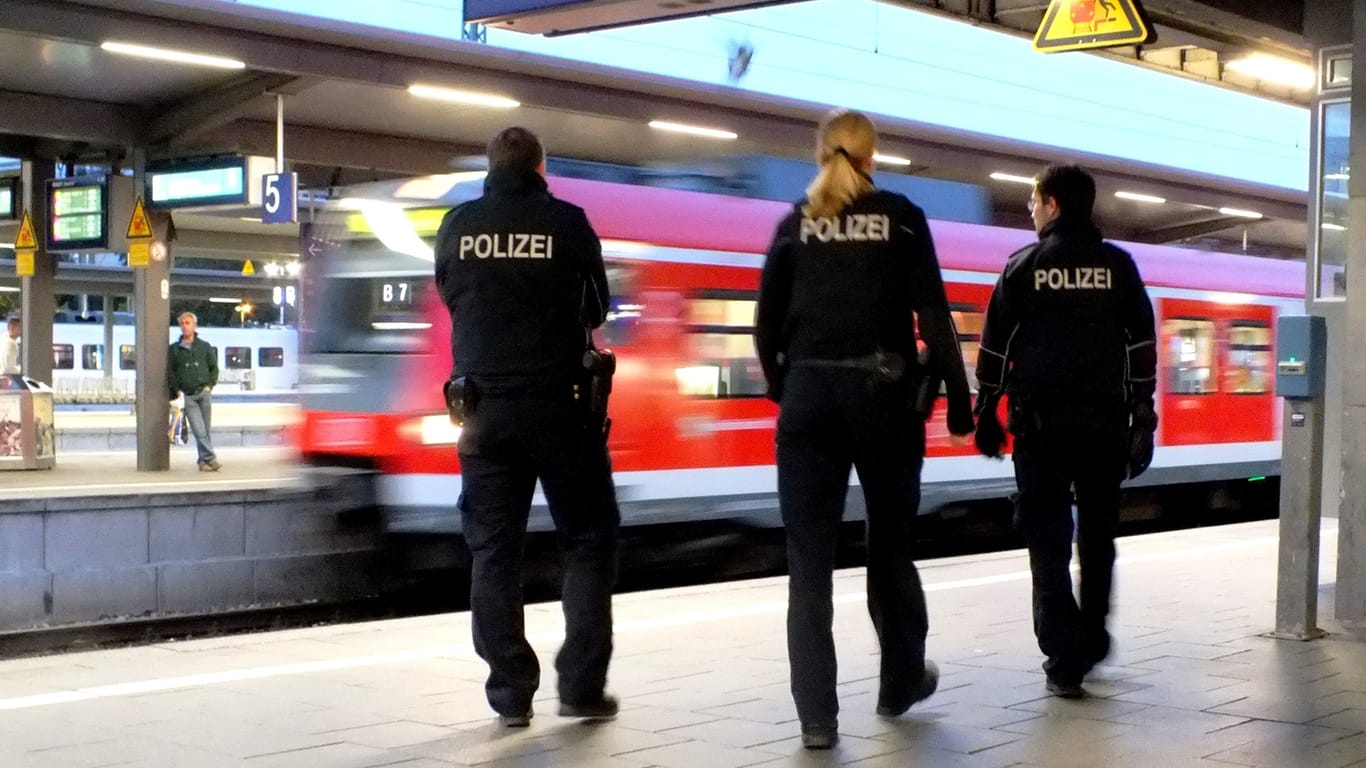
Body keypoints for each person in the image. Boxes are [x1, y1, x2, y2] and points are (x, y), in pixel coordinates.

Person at [754, 109, 975, 750]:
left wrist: (786, 389)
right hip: (883, 398)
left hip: (809, 401)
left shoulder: (795, 224)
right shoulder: (902, 217)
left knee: (809, 565)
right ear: (873, 156)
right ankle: (900, 680)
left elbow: (766, 328)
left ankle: (817, 720)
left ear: (820, 155)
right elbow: (934, 318)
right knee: (890, 545)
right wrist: (961, 407)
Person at [434, 126, 619, 729]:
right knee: (587, 538)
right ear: (541, 166)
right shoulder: (567, 222)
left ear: (492, 166)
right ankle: (581, 687)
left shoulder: (457, 226)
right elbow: (597, 308)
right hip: (561, 408)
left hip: (482, 411)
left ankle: (511, 692)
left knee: (493, 550)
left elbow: (452, 297)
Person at [972, 164, 1157, 699]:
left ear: (1052, 204)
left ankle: (1063, 655)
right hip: (1104, 426)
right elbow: (1141, 347)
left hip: (1040, 429)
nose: (1030, 211)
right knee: (1098, 538)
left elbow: (993, 348)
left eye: (1033, 202)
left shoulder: (1023, 267)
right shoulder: (1118, 267)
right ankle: (1093, 634)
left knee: (1047, 541)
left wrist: (985, 411)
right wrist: (1142, 418)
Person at [167, 312, 221, 471]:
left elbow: (214, 368)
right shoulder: (174, 350)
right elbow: (171, 373)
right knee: (199, 430)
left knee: (205, 430)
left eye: (188, 323)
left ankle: (203, 462)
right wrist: (177, 391)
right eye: (182, 323)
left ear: (194, 325)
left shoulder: (204, 346)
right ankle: (211, 458)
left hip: (204, 393)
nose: (185, 326)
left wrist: (209, 386)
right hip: (187, 396)